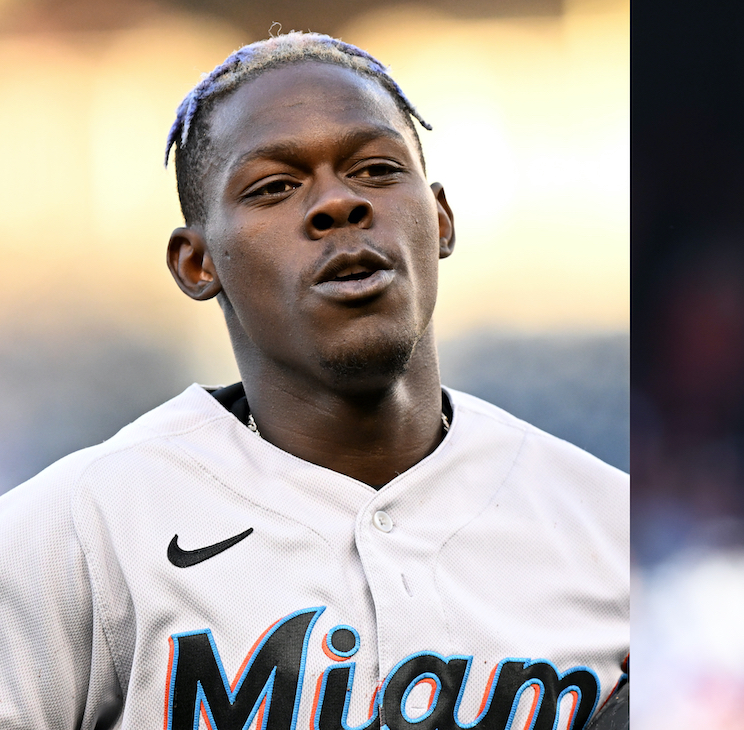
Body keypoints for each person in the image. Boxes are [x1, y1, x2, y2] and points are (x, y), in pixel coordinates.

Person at [0, 32, 628, 730]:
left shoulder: (607, 525)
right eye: (275, 186)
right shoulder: (75, 530)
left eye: (377, 170)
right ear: (197, 263)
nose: (337, 204)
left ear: (441, 219)